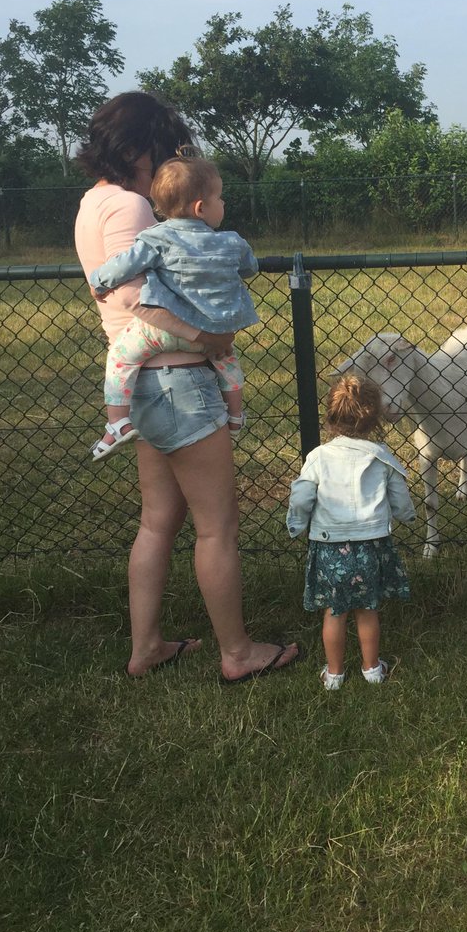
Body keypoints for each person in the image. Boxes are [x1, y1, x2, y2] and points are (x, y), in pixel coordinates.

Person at [74, 90, 299, 680]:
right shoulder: (131, 209)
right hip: (178, 380)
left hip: (144, 386)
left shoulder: (93, 202)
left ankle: (146, 647)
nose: (172, 158)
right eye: (168, 145)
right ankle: (237, 652)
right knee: (217, 527)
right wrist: (207, 341)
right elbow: (132, 297)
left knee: (158, 522)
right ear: (140, 146)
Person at [87, 153, 257, 461]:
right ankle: (235, 416)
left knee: (121, 358)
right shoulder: (232, 242)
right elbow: (249, 268)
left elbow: (123, 266)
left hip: (162, 331)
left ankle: (117, 423)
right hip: (215, 332)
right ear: (201, 208)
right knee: (228, 364)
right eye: (220, 198)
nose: (224, 204)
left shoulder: (156, 239)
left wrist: (99, 281)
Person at [286, 374, 415, 691]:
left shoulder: (318, 458)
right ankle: (372, 669)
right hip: (370, 546)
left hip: (331, 550)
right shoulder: (382, 458)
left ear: (330, 417)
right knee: (367, 609)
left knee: (335, 611)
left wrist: (296, 524)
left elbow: (302, 496)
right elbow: (400, 496)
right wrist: (406, 515)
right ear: (375, 420)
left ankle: (334, 675)